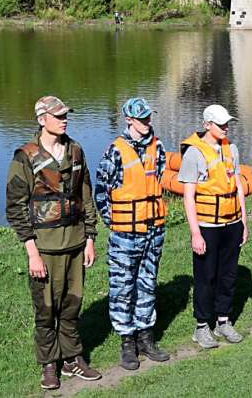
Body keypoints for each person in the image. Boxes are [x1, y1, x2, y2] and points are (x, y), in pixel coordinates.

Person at [5, 96, 101, 390]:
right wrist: (32, 253)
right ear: (42, 119)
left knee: (72, 305)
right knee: (46, 309)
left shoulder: (76, 151)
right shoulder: (26, 156)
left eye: (65, 114)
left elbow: (86, 195)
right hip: (45, 248)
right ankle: (49, 364)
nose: (64, 119)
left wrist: (90, 237)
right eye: (58, 116)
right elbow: (16, 208)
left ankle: (72, 359)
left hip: (75, 244)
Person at [94, 97, 170, 370]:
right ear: (129, 120)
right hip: (125, 234)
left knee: (147, 284)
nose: (147, 122)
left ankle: (145, 337)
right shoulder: (115, 150)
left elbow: (160, 179)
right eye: (142, 118)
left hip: (153, 230)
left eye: (149, 117)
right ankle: (127, 341)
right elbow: (100, 192)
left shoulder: (157, 146)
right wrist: (114, 223)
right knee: (123, 287)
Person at [179, 104, 249, 348]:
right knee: (205, 276)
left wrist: (243, 221)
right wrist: (195, 233)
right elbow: (188, 197)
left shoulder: (232, 149)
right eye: (221, 124)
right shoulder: (194, 153)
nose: (226, 127)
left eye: (227, 123)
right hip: (207, 224)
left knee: (228, 275)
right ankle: (201, 326)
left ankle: (223, 320)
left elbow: (238, 186)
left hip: (231, 222)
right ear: (207, 125)